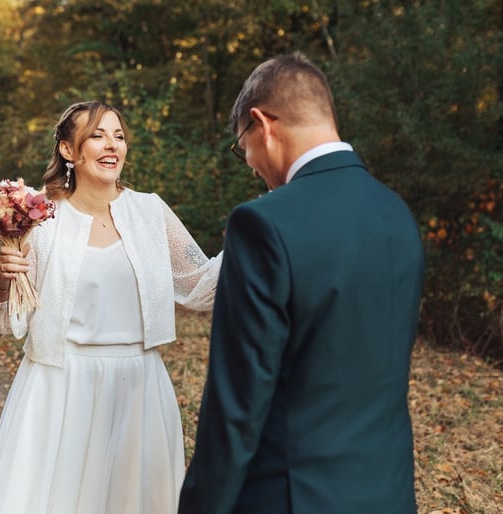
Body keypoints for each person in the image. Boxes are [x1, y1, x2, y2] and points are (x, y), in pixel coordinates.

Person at [178, 51, 425, 513]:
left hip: (291, 496)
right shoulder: (397, 213)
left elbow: (236, 408)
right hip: (388, 492)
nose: (250, 163)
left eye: (242, 147)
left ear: (262, 125)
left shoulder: (262, 225)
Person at [0, 100, 222, 513]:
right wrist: (0, 278)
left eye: (118, 136)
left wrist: (256, 236)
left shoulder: (150, 211)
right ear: (69, 150)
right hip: (61, 385)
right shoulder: (41, 220)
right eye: (97, 135)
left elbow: (201, 286)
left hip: (140, 385)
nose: (111, 146)